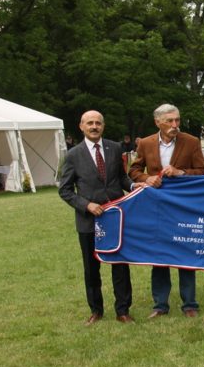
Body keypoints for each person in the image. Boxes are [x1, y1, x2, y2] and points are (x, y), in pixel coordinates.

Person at [58, 111, 143, 325]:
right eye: (90, 123)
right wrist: (86, 205)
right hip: (88, 221)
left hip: (115, 217)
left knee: (120, 265)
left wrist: (133, 186)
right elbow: (65, 190)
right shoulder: (73, 155)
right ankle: (96, 310)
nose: (94, 126)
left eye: (98, 123)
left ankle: (123, 310)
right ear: (81, 126)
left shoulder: (114, 148)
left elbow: (121, 178)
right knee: (91, 267)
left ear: (103, 126)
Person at [129, 104, 204, 318]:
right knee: (159, 256)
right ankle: (160, 305)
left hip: (184, 207)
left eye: (177, 120)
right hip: (157, 209)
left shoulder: (191, 142)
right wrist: (147, 178)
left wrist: (181, 172)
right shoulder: (145, 143)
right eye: (170, 121)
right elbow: (134, 170)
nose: (175, 125)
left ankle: (190, 304)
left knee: (185, 255)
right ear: (158, 122)